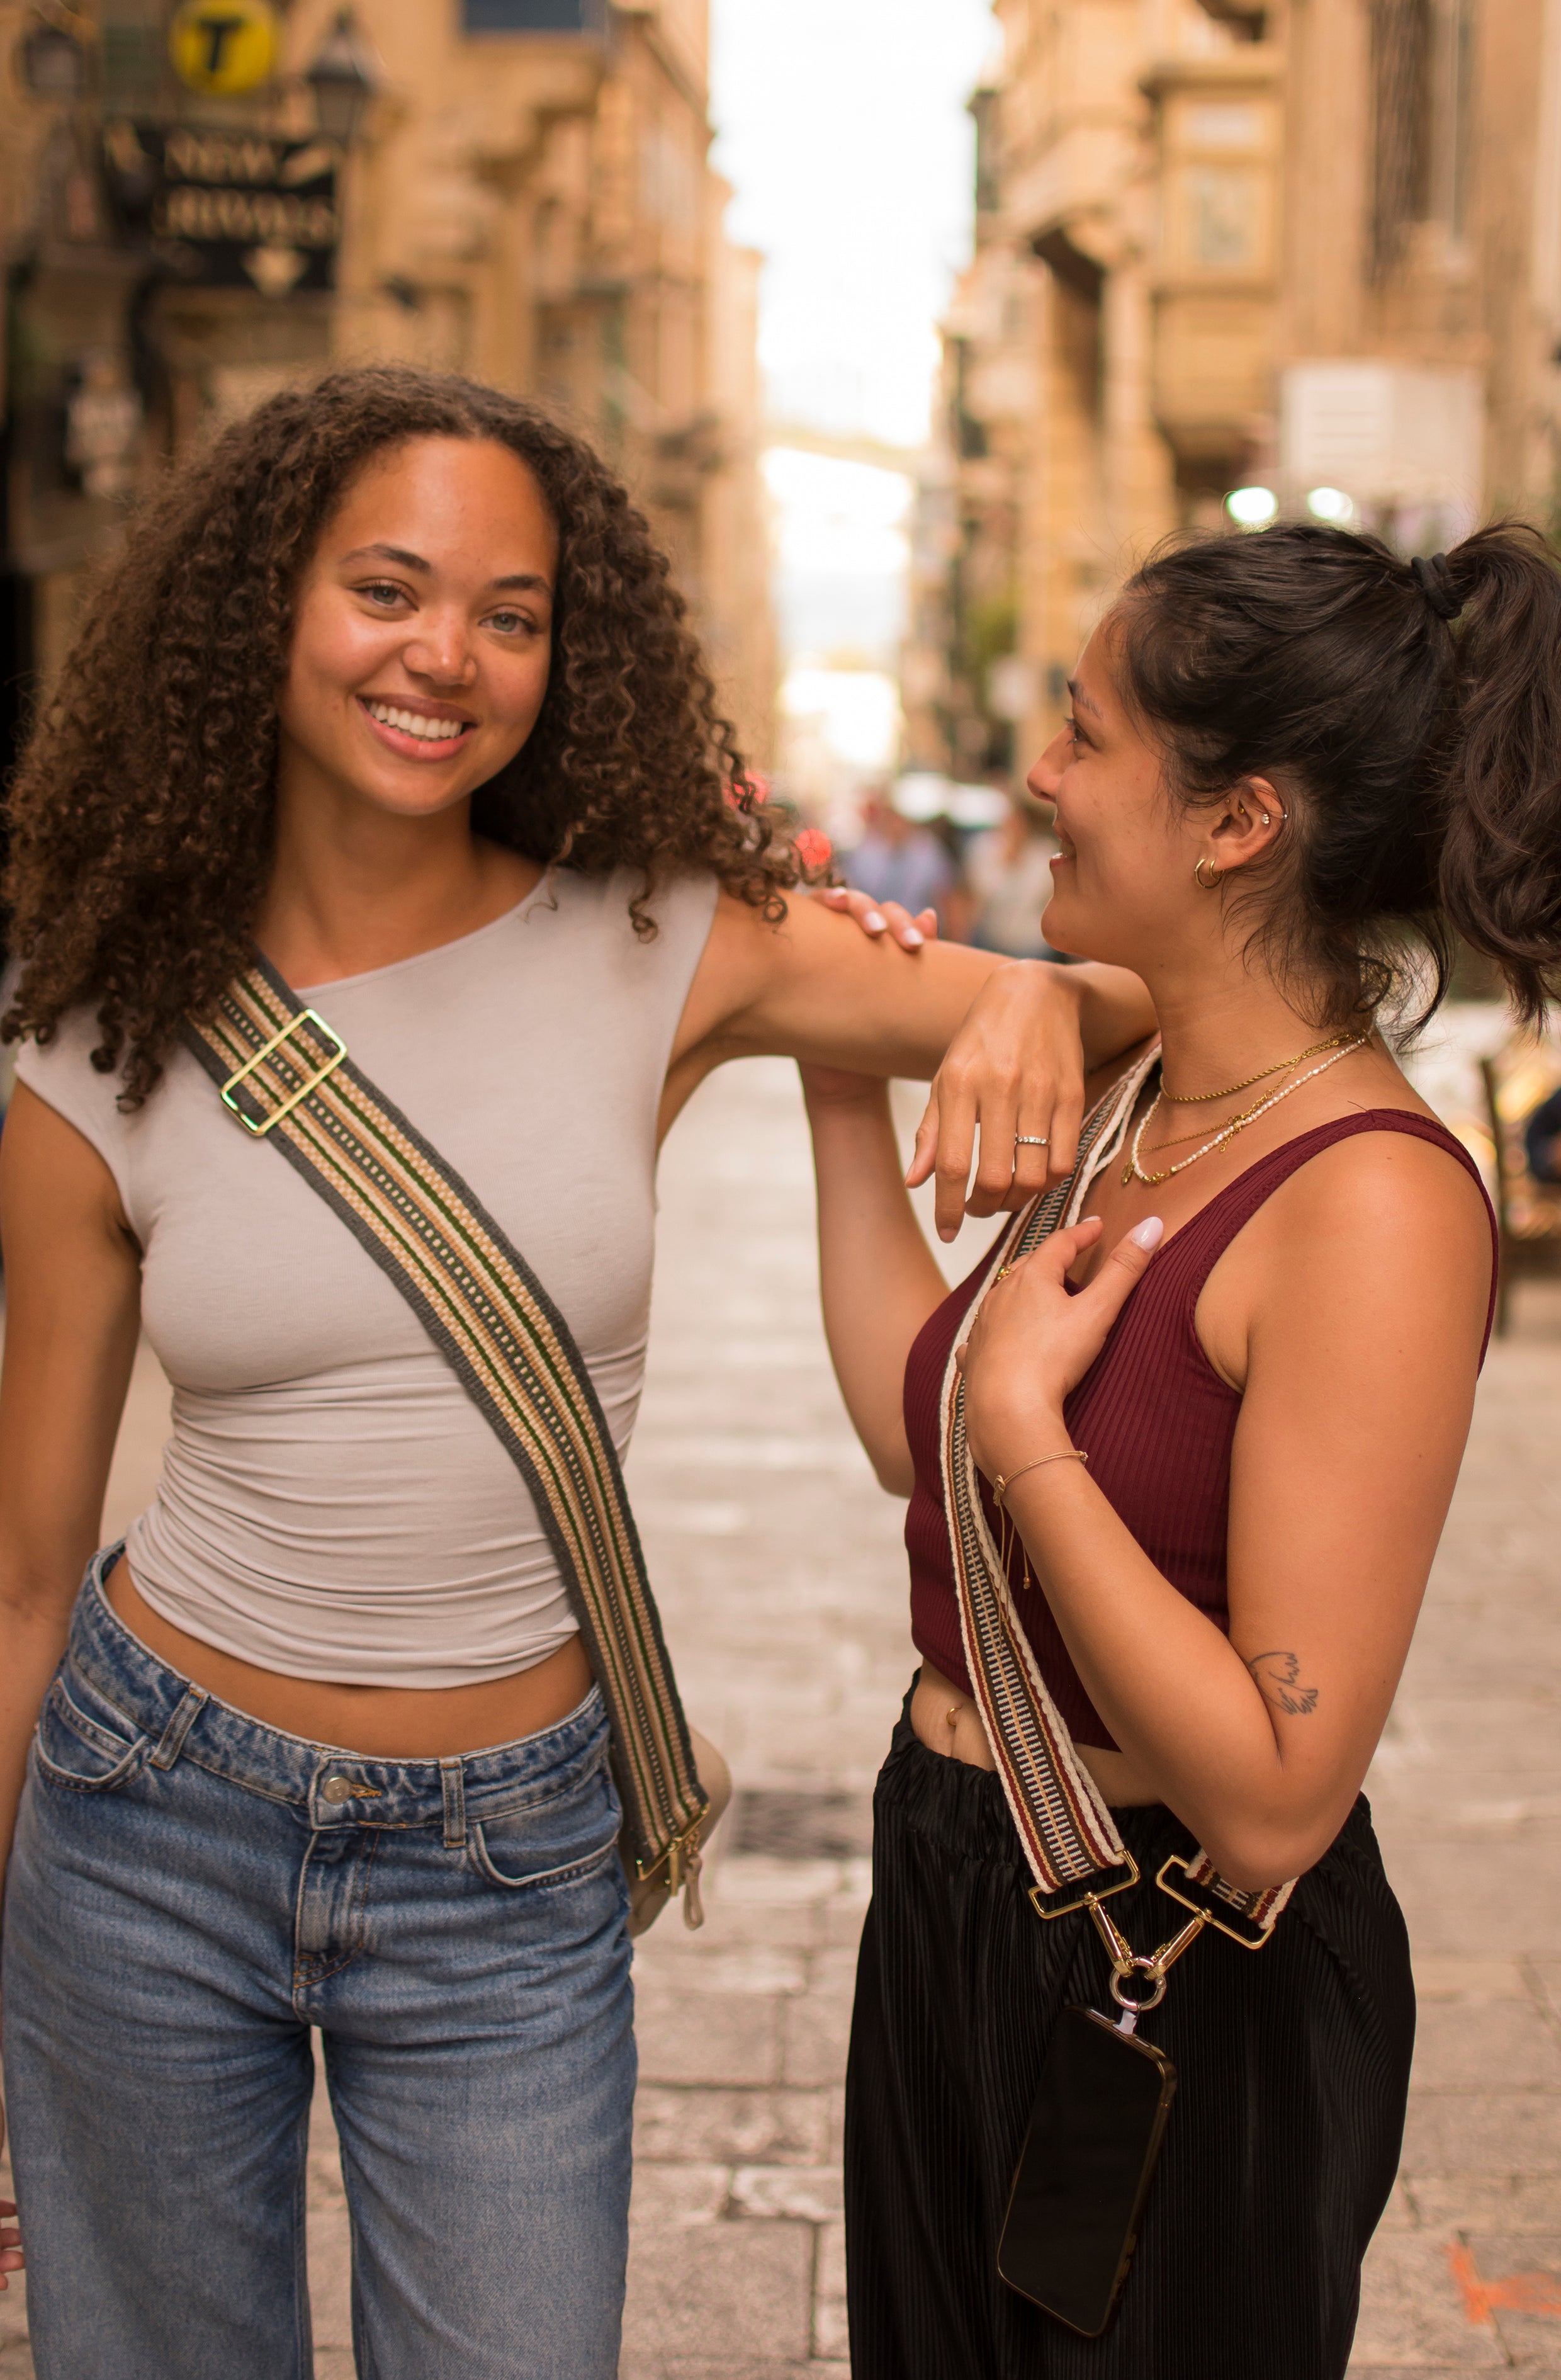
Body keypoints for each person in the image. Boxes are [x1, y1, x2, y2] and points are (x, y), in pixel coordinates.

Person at [0, 363, 1154, 2380]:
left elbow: (1159, 1001)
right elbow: (23, 1572)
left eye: (510, 613)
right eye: (386, 589)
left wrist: (1036, 1002)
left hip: (509, 1859)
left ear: (566, 648)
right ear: (262, 605)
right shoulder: (95, 1028)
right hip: (144, 1819)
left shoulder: (667, 940)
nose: (444, 655)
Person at [800, 521, 1561, 2376]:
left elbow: (1280, 1790)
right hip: (950, 1867)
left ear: (1236, 822)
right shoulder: (1139, 1091)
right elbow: (932, 1450)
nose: (1037, 777)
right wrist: (837, 1067)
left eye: (1082, 735)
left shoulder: (1369, 1200)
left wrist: (1026, 1437)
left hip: (1167, 1952)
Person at [962, 790, 1066, 960]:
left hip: (1032, 944)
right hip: (991, 939)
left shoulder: (1044, 854)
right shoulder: (984, 850)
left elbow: (1051, 898)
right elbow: (979, 895)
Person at [845, 789, 959, 932]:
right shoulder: (864, 852)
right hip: (874, 932)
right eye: (892, 815)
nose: (897, 823)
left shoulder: (929, 851)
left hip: (919, 931)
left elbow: (946, 898)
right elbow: (853, 893)